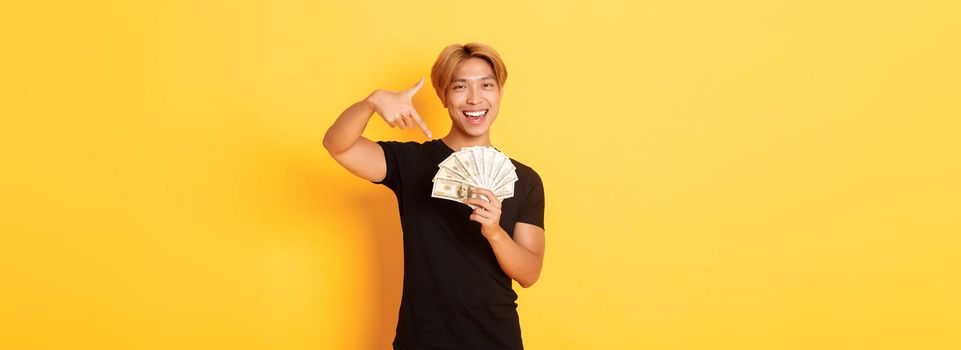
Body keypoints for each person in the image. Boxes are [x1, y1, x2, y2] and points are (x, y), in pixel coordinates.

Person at [323, 42, 545, 350]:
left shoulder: (525, 180)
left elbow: (530, 272)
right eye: (460, 87)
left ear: (500, 92)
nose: (474, 98)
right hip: (422, 338)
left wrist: (494, 232)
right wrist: (372, 103)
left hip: (496, 338)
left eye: (486, 85)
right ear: (443, 96)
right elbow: (338, 145)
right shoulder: (412, 163)